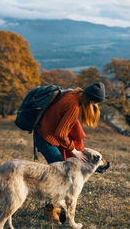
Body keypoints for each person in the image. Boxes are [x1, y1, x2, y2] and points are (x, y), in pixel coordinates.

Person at [33, 82, 106, 223]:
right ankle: (50, 211)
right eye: (95, 103)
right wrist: (74, 150)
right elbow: (60, 134)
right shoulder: (74, 106)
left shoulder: (73, 93)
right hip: (46, 138)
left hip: (45, 134)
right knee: (58, 175)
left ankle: (55, 207)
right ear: (91, 100)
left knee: (58, 175)